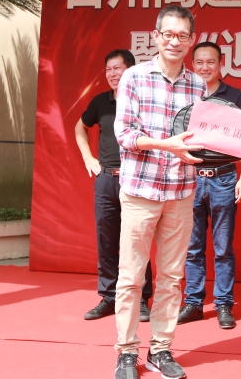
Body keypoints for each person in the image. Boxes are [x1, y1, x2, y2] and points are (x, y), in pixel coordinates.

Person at [113, 5, 207, 379]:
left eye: (182, 35)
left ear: (192, 40)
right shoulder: (134, 77)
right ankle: (126, 351)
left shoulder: (198, 85)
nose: (174, 41)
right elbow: (125, 135)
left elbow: (201, 139)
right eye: (168, 34)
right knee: (131, 276)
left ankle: (160, 349)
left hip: (181, 192)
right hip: (140, 190)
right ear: (156, 36)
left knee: (171, 276)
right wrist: (166, 145)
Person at [75, 49, 154, 322]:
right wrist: (88, 157)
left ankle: (141, 298)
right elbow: (80, 127)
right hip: (107, 179)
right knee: (106, 240)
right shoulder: (100, 102)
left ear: (130, 70)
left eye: (117, 68)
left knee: (136, 240)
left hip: (136, 180)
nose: (112, 74)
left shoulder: (142, 100)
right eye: (108, 69)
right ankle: (109, 297)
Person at [177, 42, 241, 329]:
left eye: (211, 62)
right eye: (199, 62)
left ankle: (223, 304)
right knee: (192, 247)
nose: (205, 67)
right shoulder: (185, 94)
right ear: (192, 65)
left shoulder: (234, 96)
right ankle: (193, 303)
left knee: (223, 248)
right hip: (191, 178)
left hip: (224, 178)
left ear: (221, 64)